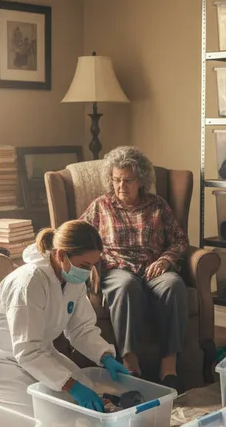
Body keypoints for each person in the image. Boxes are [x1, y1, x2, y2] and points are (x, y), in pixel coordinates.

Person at [0, 220, 128, 414]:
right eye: (84, 265)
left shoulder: (72, 278)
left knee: (82, 402)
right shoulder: (28, 283)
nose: (87, 272)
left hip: (39, 351)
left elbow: (80, 329)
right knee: (39, 417)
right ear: (61, 255)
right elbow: (27, 351)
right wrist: (73, 386)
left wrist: (105, 356)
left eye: (92, 265)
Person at [80, 146, 189, 391]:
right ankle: (131, 364)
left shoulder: (157, 205)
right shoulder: (101, 206)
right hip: (117, 269)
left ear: (141, 181)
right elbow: (77, 235)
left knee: (174, 285)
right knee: (126, 286)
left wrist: (166, 260)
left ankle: (169, 366)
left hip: (153, 268)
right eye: (116, 180)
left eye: (128, 181)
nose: (121, 186)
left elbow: (180, 240)